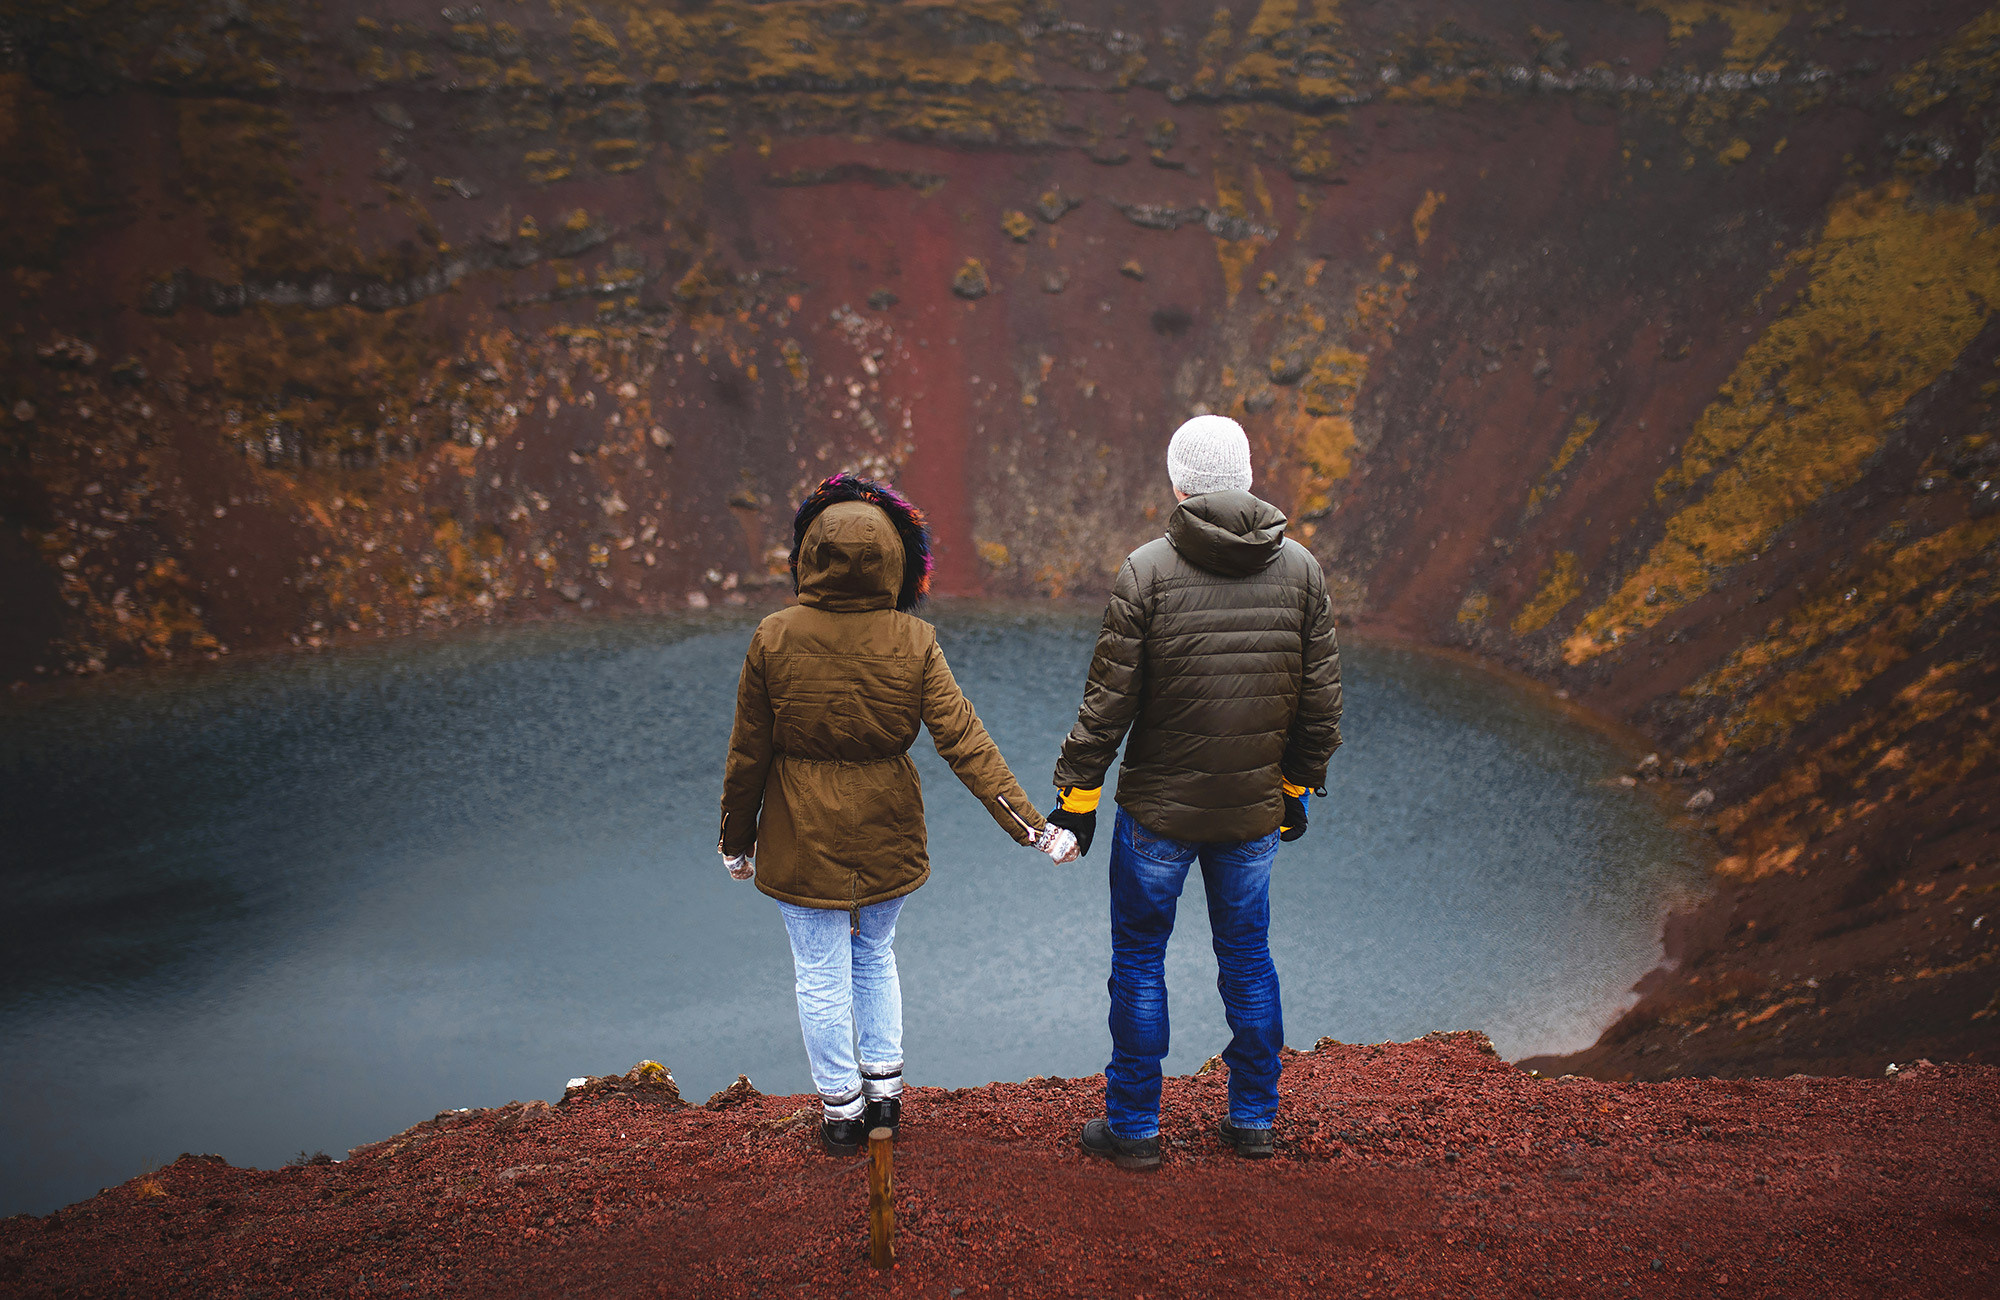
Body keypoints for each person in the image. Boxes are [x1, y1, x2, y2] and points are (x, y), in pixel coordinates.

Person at [719, 473, 1076, 1158]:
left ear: (809, 556)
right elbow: (964, 741)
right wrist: (1033, 828)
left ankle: (841, 1113)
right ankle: (884, 1096)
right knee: (874, 954)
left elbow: (748, 756)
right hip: (888, 828)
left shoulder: (773, 637)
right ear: (894, 559)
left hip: (799, 834)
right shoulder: (914, 640)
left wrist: (736, 843)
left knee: (820, 975)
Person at [1045, 414, 1343, 1170]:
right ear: (1245, 477)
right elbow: (1321, 706)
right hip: (1251, 814)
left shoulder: (1146, 570)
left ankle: (1136, 1131)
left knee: (1140, 962)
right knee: (1247, 960)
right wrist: (1296, 788)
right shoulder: (1301, 571)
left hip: (1157, 817)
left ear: (1180, 485)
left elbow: (1105, 707)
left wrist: (1075, 805)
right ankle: (1252, 1122)